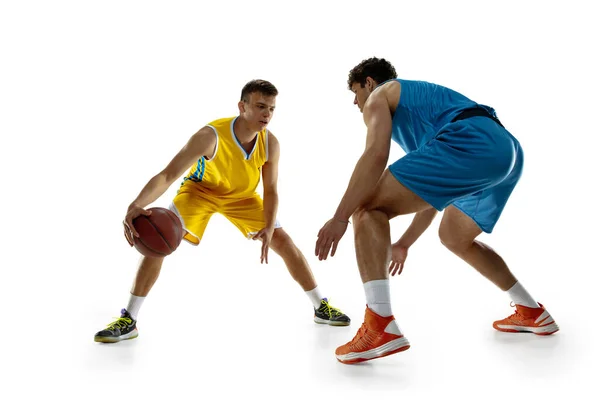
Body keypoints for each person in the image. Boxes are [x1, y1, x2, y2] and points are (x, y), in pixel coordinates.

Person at [314, 58, 558, 364]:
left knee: (365, 208)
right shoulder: (424, 110)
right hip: (503, 150)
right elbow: (432, 194)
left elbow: (376, 154)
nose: (355, 102)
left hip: (471, 142)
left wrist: (340, 217)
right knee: (455, 238)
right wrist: (403, 243)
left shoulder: (381, 94)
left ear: (369, 82)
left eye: (355, 92)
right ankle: (532, 311)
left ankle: (380, 325)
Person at [95, 79, 350, 343]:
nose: (267, 114)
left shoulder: (270, 143)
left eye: (272, 109)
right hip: (200, 192)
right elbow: (169, 174)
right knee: (160, 241)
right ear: (242, 106)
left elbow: (271, 189)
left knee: (284, 242)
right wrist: (136, 204)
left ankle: (321, 306)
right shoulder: (210, 136)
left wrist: (271, 226)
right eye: (261, 106)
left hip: (243, 198)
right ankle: (129, 320)